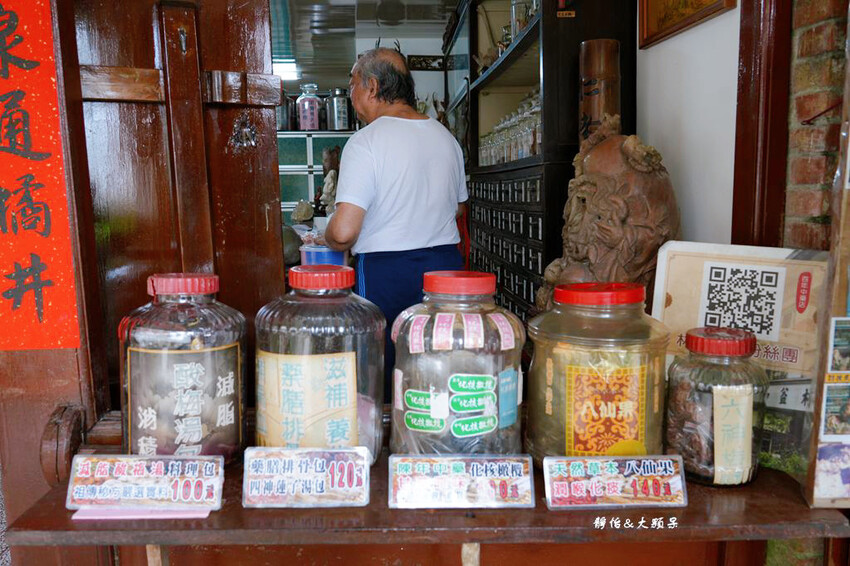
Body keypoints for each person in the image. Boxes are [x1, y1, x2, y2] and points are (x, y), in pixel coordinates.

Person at [325, 48, 467, 395]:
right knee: (437, 363)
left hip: (387, 272)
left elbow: (344, 233)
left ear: (372, 87)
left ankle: (389, 443)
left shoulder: (365, 142)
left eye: (353, 85)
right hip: (446, 269)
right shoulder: (446, 138)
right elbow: (458, 210)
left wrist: (325, 236)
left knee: (387, 368)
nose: (352, 94)